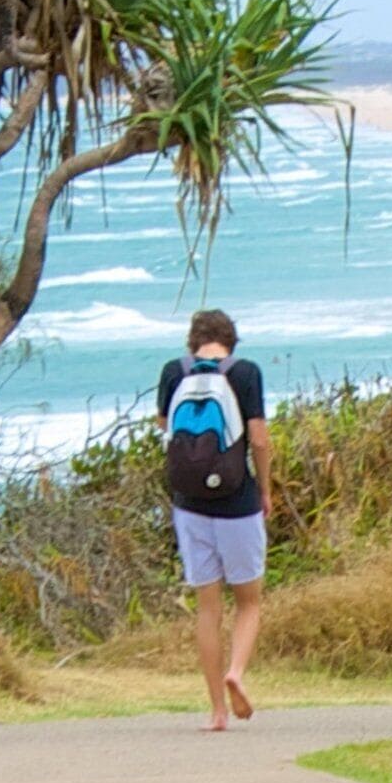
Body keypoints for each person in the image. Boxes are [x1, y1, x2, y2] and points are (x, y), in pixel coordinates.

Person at [158, 308, 273, 730]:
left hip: (188, 503)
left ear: (194, 341)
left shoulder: (174, 371)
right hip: (238, 501)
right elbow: (258, 438)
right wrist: (265, 488)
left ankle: (216, 711)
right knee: (249, 601)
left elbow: (165, 429)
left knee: (208, 609)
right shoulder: (244, 373)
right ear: (231, 340)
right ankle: (236, 673)